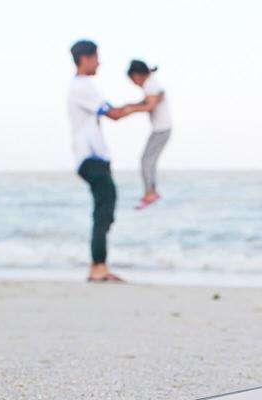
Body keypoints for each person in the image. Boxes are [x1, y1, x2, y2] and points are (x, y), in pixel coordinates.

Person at [67, 40, 136, 282]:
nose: (99, 62)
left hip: (90, 158)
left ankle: (98, 265)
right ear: (85, 59)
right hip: (91, 158)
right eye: (96, 57)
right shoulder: (82, 86)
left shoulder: (81, 86)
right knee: (103, 210)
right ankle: (98, 268)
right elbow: (113, 114)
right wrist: (144, 106)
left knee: (105, 209)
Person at [126, 59, 172, 210]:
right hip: (161, 129)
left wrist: (128, 109)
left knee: (146, 161)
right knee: (148, 161)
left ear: (137, 75)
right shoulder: (152, 83)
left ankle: (150, 194)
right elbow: (150, 102)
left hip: (162, 129)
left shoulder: (150, 84)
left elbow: (150, 105)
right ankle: (150, 192)